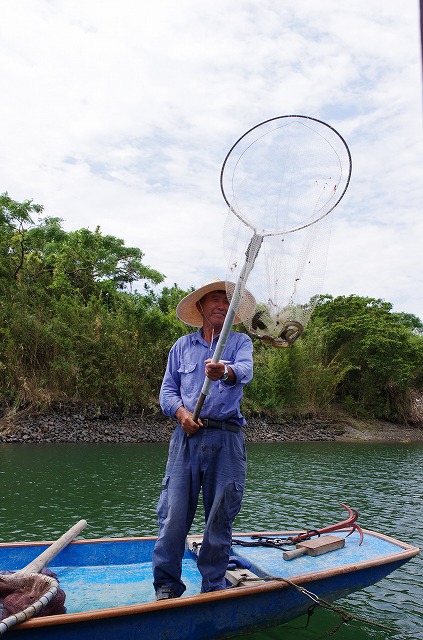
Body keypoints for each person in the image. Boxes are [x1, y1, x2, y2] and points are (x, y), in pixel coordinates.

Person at [152, 278, 256, 600]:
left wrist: (222, 371)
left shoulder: (240, 343)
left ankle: (213, 586)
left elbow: (244, 371)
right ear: (200, 307)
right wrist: (182, 414)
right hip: (186, 439)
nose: (221, 305)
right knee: (173, 515)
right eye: (215, 299)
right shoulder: (181, 346)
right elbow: (167, 391)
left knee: (219, 516)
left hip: (227, 439)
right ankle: (167, 586)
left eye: (227, 301)